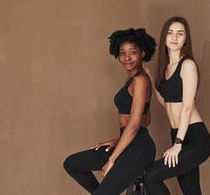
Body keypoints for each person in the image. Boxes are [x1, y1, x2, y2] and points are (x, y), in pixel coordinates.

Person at [63, 28, 157, 195]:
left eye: (132, 52)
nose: (127, 57)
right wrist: (117, 140)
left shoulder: (141, 80)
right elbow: (146, 119)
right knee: (72, 164)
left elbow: (136, 126)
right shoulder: (132, 80)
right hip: (128, 142)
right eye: (122, 53)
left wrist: (111, 160)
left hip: (139, 148)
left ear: (142, 53)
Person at [144, 16, 210, 195]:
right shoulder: (166, 67)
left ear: (185, 39)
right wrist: (152, 82)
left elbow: (187, 107)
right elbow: (167, 102)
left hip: (195, 138)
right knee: (191, 191)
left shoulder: (187, 65)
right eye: (170, 33)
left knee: (151, 176)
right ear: (164, 37)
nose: (174, 38)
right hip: (178, 133)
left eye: (180, 34)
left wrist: (178, 144)